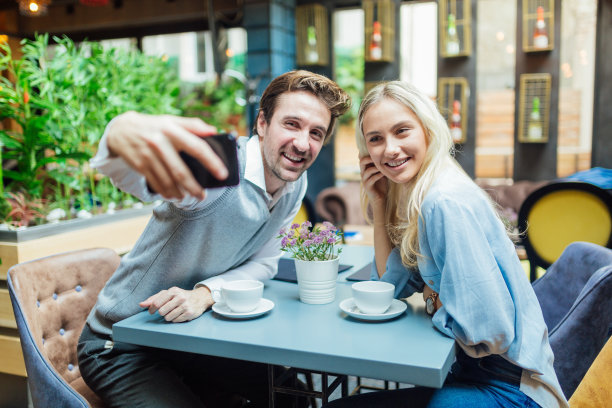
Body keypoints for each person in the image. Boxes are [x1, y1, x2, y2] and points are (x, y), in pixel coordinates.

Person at [77, 70, 351, 408]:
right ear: (262, 123)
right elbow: (133, 178)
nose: (302, 143)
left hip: (191, 337)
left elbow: (264, 263)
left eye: (316, 133)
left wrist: (205, 293)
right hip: (119, 344)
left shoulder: (296, 184)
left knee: (292, 394)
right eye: (291, 124)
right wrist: (118, 133)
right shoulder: (220, 167)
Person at [323, 81, 568, 408]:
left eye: (402, 131)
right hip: (476, 372)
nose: (390, 149)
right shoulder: (421, 194)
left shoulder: (442, 202)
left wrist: (433, 299)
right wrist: (379, 202)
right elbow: (388, 286)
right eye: (376, 139)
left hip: (509, 389)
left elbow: (487, 331)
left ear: (427, 130)